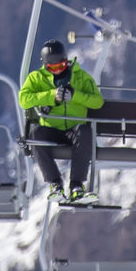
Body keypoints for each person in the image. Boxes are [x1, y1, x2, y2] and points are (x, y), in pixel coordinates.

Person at [18, 39, 104, 202]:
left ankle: (77, 185)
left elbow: (97, 102)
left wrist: (75, 96)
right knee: (35, 135)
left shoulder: (80, 77)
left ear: (66, 61)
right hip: (51, 127)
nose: (58, 71)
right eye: (53, 68)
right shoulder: (37, 78)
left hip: (74, 128)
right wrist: (50, 96)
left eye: (61, 66)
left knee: (85, 132)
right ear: (45, 65)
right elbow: (24, 99)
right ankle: (55, 183)